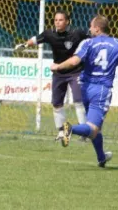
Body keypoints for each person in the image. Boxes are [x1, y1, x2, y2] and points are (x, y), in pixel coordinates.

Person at [53, 15, 118, 167]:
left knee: (95, 127)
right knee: (93, 128)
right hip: (101, 90)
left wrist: (58, 66)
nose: (89, 29)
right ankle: (69, 129)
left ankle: (101, 158)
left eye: (91, 26)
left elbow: (75, 61)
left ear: (97, 28)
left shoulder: (88, 42)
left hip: (85, 88)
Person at [14, 10, 88, 141]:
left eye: (60, 20)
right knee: (56, 103)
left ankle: (84, 132)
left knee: (78, 100)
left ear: (67, 22)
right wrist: (24, 45)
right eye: (55, 20)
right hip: (58, 72)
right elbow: (35, 39)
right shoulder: (50, 34)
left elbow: (93, 38)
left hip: (75, 71)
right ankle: (62, 132)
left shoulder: (76, 33)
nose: (57, 22)